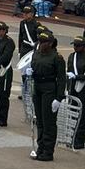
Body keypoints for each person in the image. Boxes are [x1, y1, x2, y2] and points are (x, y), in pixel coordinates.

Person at [29, 31, 66, 162]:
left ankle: (48, 151)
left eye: (44, 42)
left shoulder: (57, 57)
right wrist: (30, 73)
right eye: (40, 41)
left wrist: (59, 97)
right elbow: (34, 68)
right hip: (38, 87)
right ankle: (40, 147)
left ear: (50, 43)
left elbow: (61, 79)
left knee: (48, 121)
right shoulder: (36, 54)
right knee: (39, 120)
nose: (41, 44)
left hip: (49, 88)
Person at [64, 37, 85, 150]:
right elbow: (69, 71)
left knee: (83, 115)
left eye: (78, 46)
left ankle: (80, 140)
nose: (75, 47)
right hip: (73, 88)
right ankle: (71, 137)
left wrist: (77, 76)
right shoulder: (72, 56)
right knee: (73, 113)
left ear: (84, 47)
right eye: (74, 45)